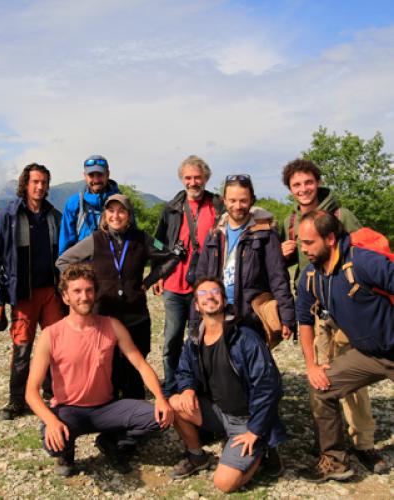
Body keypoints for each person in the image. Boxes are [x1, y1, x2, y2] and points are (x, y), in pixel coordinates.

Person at [280, 159, 382, 473]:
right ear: (290, 189)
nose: (303, 189)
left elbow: (364, 254)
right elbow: (298, 265)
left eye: (307, 182)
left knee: (355, 381)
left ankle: (363, 443)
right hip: (314, 308)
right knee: (322, 376)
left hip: (347, 308)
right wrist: (284, 257)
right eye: (296, 185)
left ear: (317, 182)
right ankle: (330, 441)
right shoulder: (291, 222)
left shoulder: (340, 215)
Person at [25, 264, 174, 476]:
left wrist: (160, 397)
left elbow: (140, 364)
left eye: (88, 290)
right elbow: (31, 391)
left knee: (160, 418)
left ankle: (111, 442)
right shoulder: (51, 335)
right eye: (76, 291)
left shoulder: (112, 325)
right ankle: (66, 453)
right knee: (52, 442)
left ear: (95, 293)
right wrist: (51, 421)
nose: (84, 296)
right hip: (70, 409)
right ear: (65, 297)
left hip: (107, 407)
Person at [295, 210, 393, 482]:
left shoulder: (363, 262)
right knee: (320, 386)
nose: (304, 249)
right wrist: (312, 365)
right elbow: (303, 320)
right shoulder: (310, 276)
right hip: (367, 355)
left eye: (308, 243)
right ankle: (335, 462)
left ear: (329, 238)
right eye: (301, 243)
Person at [56, 194, 179, 399]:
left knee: (136, 362)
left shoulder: (144, 238)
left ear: (129, 215)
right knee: (107, 364)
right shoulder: (95, 240)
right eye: (111, 211)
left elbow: (170, 256)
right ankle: (109, 410)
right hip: (104, 314)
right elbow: (63, 261)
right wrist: (84, 286)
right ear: (105, 214)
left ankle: (137, 413)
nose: (116, 215)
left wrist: (149, 281)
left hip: (135, 314)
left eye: (121, 211)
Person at [169, 277, 286, 493]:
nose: (209, 297)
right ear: (196, 305)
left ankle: (262, 449)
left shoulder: (245, 338)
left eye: (215, 292)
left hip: (247, 421)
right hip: (219, 413)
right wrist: (187, 389)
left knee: (224, 484)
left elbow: (269, 387)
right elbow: (184, 370)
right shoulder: (194, 339)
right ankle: (196, 456)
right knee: (174, 403)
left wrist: (255, 430)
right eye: (202, 294)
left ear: (223, 300)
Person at [0, 163, 63, 420]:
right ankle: (16, 401)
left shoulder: (54, 216)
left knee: (55, 346)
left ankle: (54, 395)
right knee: (22, 348)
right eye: (35, 182)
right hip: (22, 294)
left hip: (51, 291)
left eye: (43, 183)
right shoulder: (7, 216)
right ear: (25, 184)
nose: (40, 187)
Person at [153, 155, 224, 396]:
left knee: (202, 337)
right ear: (181, 179)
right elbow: (158, 242)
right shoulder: (171, 208)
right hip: (174, 282)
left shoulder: (218, 205)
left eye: (198, 177)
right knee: (172, 339)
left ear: (206, 178)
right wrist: (158, 274)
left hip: (205, 285)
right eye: (188, 178)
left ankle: (200, 386)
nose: (193, 182)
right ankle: (172, 386)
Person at [195, 174, 295, 340]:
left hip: (251, 317)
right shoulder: (214, 233)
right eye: (232, 200)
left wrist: (287, 317)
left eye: (243, 200)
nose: (238, 206)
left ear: (252, 200)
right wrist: (195, 320)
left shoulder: (265, 233)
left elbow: (278, 277)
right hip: (216, 313)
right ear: (224, 200)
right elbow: (201, 279)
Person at [58, 155, 119, 256]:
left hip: (115, 267)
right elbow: (65, 244)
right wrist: (66, 269)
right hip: (83, 268)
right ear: (85, 176)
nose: (96, 180)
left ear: (107, 174)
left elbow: (135, 236)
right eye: (91, 175)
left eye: (100, 174)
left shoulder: (121, 202)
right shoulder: (74, 203)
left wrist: (156, 244)